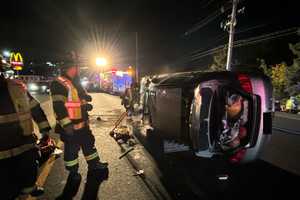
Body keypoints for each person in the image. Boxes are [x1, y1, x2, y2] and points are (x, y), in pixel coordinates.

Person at [50, 58, 108, 198]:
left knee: (89, 145)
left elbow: (77, 100)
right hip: (70, 126)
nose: (78, 70)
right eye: (76, 68)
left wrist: (86, 100)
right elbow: (59, 106)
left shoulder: (74, 82)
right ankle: (73, 173)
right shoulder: (59, 83)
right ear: (68, 68)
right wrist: (67, 125)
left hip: (82, 124)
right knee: (72, 151)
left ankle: (94, 165)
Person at [0, 55, 51, 199]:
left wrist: (45, 130)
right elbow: (36, 109)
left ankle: (29, 188)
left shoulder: (16, 87)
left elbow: (34, 107)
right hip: (19, 146)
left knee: (27, 170)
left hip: (23, 144)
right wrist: (45, 130)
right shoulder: (16, 87)